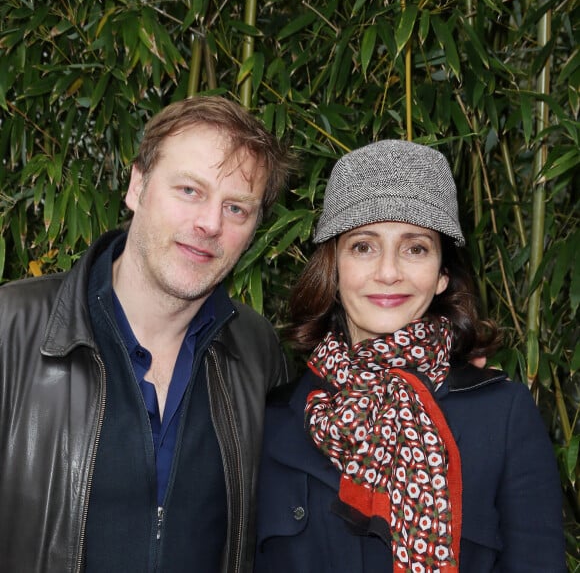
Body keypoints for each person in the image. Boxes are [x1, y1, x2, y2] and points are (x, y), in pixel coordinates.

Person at [0, 95, 293, 572]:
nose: (210, 224)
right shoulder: (12, 327)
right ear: (137, 185)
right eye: (189, 191)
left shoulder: (258, 354)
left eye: (237, 208)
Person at [254, 140, 566, 572]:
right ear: (334, 267)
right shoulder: (273, 418)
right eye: (363, 246)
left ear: (441, 275)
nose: (388, 271)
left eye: (415, 247)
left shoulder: (503, 417)